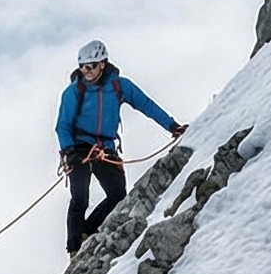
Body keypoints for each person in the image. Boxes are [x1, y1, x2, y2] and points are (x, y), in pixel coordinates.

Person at [56, 39, 187, 254]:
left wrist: (172, 125)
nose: (85, 71)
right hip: (78, 148)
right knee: (80, 196)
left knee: (118, 195)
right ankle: (74, 248)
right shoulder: (73, 92)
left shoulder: (119, 86)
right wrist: (68, 151)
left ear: (103, 64)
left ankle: (87, 230)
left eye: (90, 66)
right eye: (82, 67)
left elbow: (146, 105)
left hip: (106, 148)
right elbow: (63, 125)